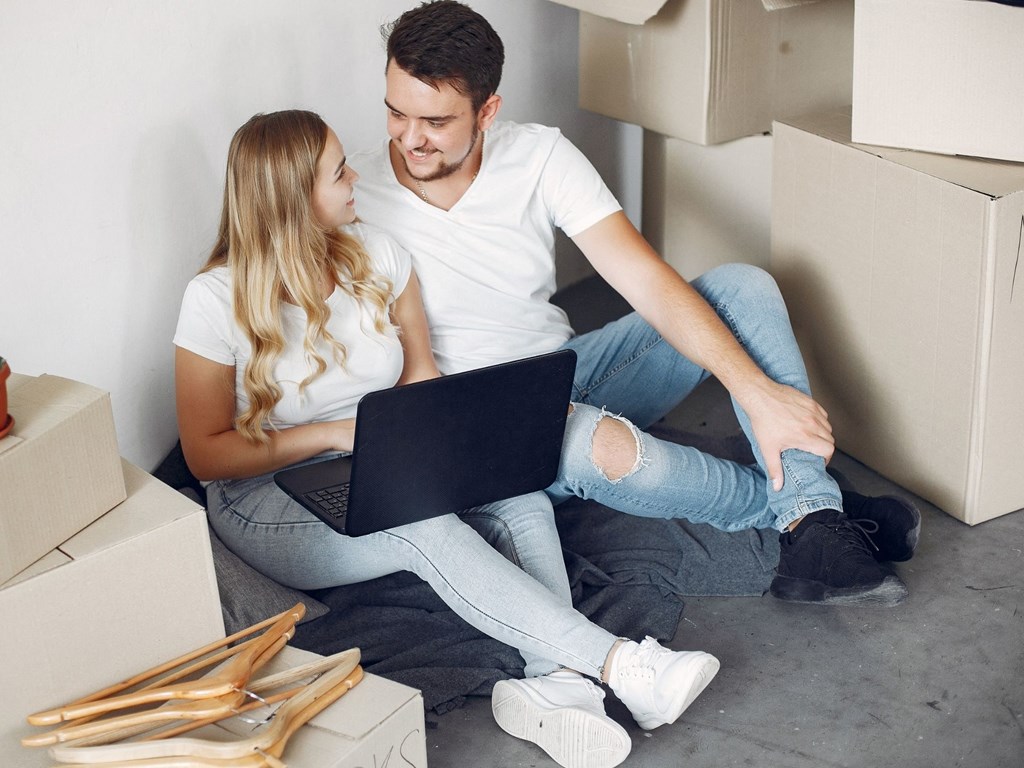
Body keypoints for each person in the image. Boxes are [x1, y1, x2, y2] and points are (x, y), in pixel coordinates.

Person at [173, 109, 720, 768]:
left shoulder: (377, 255)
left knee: (521, 498)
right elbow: (206, 452)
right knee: (422, 527)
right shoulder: (214, 300)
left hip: (381, 453)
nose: (356, 179)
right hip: (262, 494)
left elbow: (422, 374)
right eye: (338, 171)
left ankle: (556, 685)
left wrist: (431, 441)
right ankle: (622, 666)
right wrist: (330, 434)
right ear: (293, 199)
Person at [350, 0, 921, 615]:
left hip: (562, 371)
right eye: (395, 112)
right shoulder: (353, 197)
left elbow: (644, 279)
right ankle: (813, 512)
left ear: (487, 111)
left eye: (435, 121)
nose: (410, 138)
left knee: (742, 287)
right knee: (595, 449)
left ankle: (812, 519)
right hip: (474, 426)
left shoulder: (540, 156)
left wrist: (752, 388)